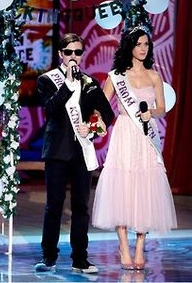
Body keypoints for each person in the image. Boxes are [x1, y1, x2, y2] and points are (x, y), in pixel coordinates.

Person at [92, 26, 177, 270]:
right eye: (139, 44)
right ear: (129, 46)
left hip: (146, 134)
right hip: (125, 133)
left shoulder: (154, 76)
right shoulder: (116, 76)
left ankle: (140, 247)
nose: (143, 49)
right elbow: (101, 106)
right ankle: (124, 247)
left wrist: (151, 112)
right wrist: (94, 122)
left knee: (146, 189)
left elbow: (161, 108)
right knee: (123, 187)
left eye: (146, 45)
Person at [35, 33, 114, 273]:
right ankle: (49, 256)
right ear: (60, 54)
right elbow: (51, 109)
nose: (73, 57)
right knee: (54, 206)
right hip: (57, 152)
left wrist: (90, 128)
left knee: (81, 206)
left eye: (77, 52)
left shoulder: (89, 82)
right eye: (68, 52)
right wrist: (68, 85)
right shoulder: (47, 80)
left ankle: (80, 258)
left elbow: (107, 114)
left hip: (82, 151)